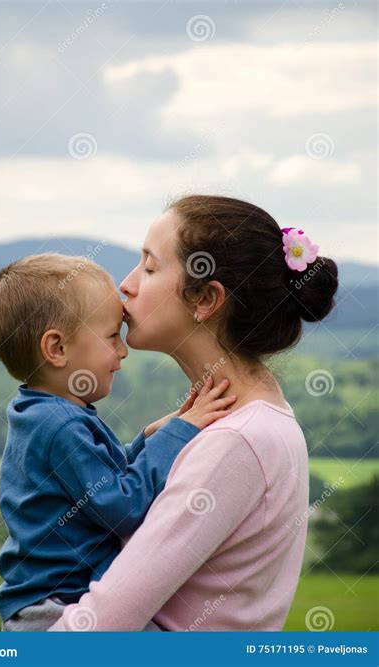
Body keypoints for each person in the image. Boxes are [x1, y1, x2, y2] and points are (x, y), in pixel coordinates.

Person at [49, 195, 339, 631]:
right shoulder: (252, 417)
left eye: (149, 268)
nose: (125, 285)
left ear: (205, 297)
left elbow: (99, 626)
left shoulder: (236, 441)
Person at [0, 252, 236, 630]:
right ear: (57, 349)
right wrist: (182, 433)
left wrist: (155, 435)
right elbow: (122, 506)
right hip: (55, 610)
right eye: (111, 336)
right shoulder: (59, 425)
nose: (122, 351)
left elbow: (101, 479)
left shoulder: (43, 412)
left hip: (47, 602)